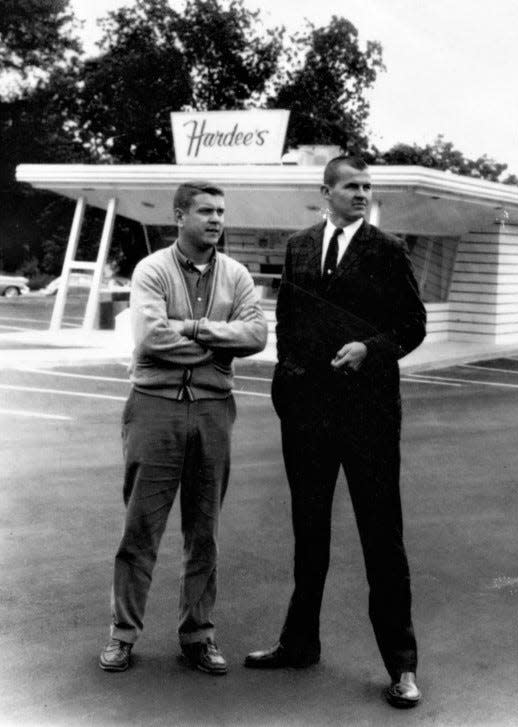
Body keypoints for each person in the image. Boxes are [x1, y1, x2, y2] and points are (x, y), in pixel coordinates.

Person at [244, 156, 426, 709]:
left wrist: (370, 349)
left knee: (382, 541)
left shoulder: (388, 250)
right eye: (352, 186)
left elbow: (413, 326)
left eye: (368, 187)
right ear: (325, 192)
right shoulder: (299, 246)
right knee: (309, 534)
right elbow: (288, 319)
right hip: (308, 416)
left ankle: (402, 667)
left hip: (369, 417)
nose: (362, 194)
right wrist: (287, 383)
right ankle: (299, 644)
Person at [99, 181, 267, 675]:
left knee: (204, 531)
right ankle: (123, 634)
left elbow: (256, 333)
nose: (216, 220)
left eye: (220, 212)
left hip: (214, 410)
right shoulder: (153, 269)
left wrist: (192, 328)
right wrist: (220, 344)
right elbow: (151, 338)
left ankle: (198, 634)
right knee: (140, 529)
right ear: (179, 216)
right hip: (155, 407)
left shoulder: (236, 275)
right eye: (205, 211)